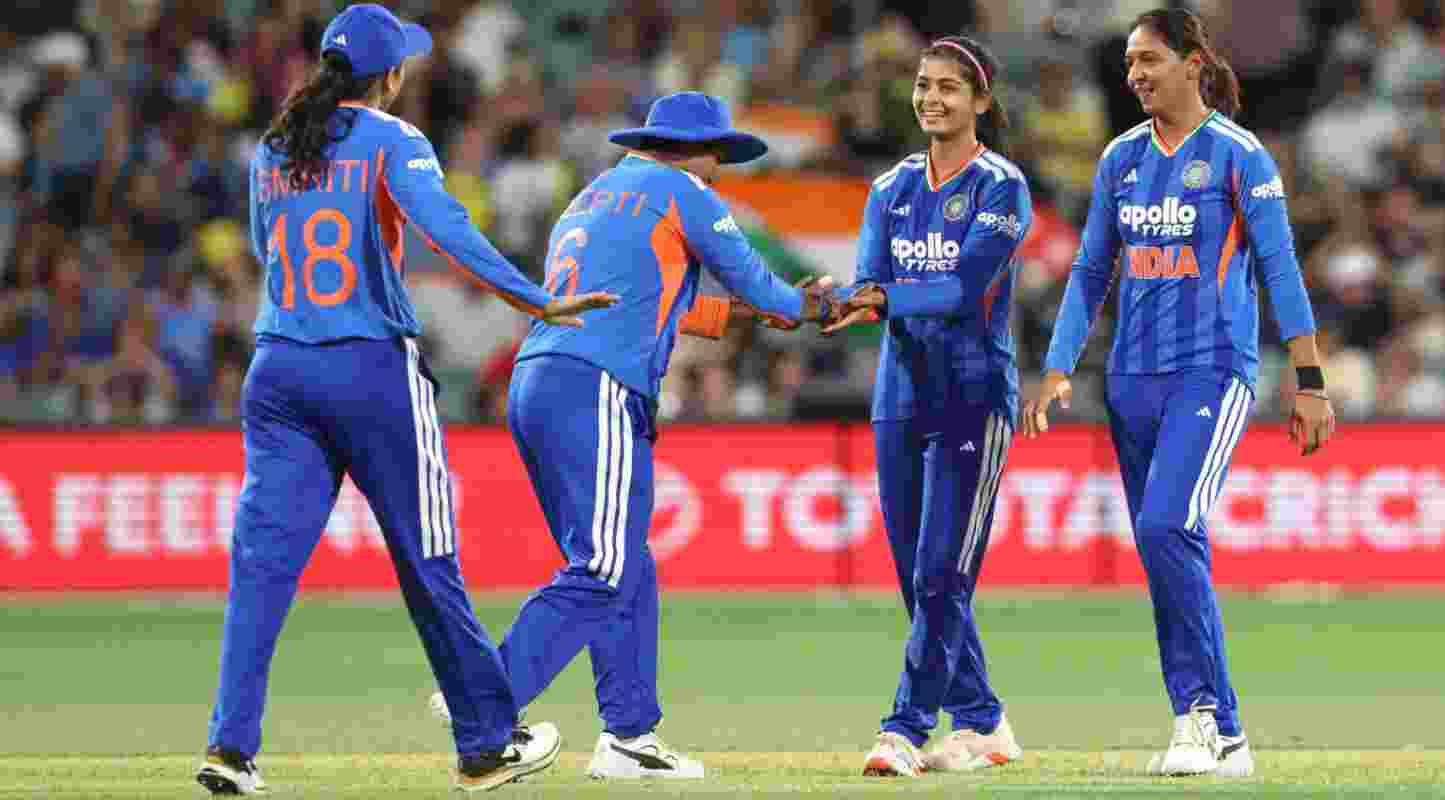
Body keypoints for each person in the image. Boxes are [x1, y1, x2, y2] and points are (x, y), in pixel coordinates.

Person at [196, 6, 616, 795]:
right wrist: (537, 301)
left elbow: (263, 249)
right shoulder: (395, 141)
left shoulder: (274, 148)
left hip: (280, 369)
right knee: (429, 564)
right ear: (390, 76)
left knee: (260, 569)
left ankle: (229, 746)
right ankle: (487, 745)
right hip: (371, 373)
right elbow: (448, 231)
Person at [430, 91, 832, 779]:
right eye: (720, 157)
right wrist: (805, 306)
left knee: (623, 563)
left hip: (541, 380)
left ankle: (629, 736)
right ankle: (484, 701)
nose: (720, 171)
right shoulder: (684, 191)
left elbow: (656, 297)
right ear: (694, 150)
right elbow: (763, 287)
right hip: (599, 384)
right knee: (605, 566)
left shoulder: (593, 197)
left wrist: (749, 315)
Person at [1023, 8, 1336, 778]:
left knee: (1167, 526)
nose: (1134, 74)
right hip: (1129, 380)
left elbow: (1281, 270)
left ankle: (1207, 717)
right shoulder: (1121, 157)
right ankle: (1211, 726)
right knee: (1166, 547)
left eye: (1149, 59)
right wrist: (1060, 363)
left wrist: (1310, 379)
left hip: (1212, 369)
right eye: (1129, 62)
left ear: (1194, 62)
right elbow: (1093, 269)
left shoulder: (1239, 155)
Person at [821, 35, 1032, 778]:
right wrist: (842, 302)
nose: (931, 98)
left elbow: (964, 287)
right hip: (900, 396)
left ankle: (904, 728)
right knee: (919, 575)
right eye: (922, 84)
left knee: (944, 572)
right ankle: (983, 721)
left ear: (981, 102)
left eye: (949, 87)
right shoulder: (891, 188)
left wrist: (879, 295)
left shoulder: (1002, 186)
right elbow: (872, 282)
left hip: (973, 398)